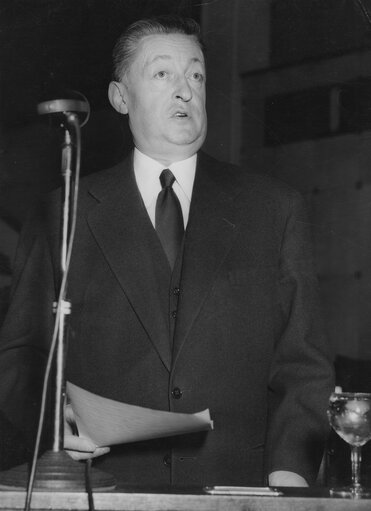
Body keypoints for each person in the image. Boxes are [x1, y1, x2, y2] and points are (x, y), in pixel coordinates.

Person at [0, 15, 334, 488]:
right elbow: (19, 358)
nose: (185, 90)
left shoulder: (274, 209)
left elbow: (304, 365)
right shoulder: (63, 213)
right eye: (162, 74)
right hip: (102, 487)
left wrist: (288, 481)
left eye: (195, 75)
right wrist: (56, 423)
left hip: (242, 490)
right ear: (120, 97)